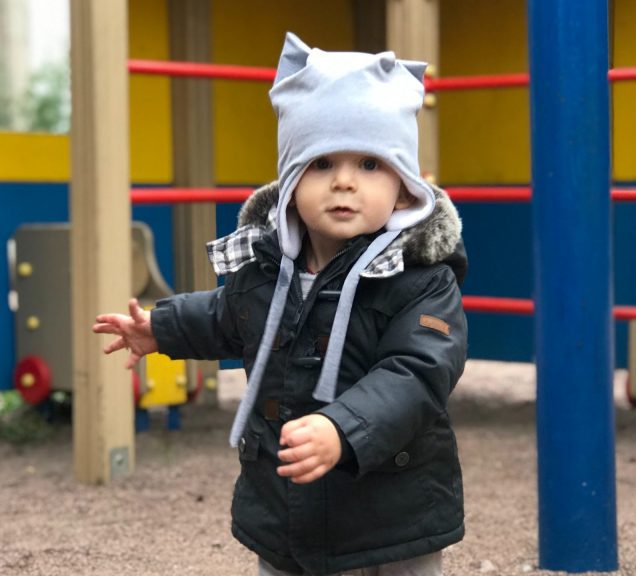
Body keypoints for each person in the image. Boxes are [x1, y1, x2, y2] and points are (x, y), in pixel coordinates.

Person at [93, 32, 468, 576]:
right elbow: (228, 314)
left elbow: (417, 373)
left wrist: (343, 429)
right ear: (290, 182)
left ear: (405, 188)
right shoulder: (268, 266)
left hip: (392, 513)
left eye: (369, 164)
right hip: (285, 504)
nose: (343, 182)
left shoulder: (421, 280)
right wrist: (162, 328)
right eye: (321, 164)